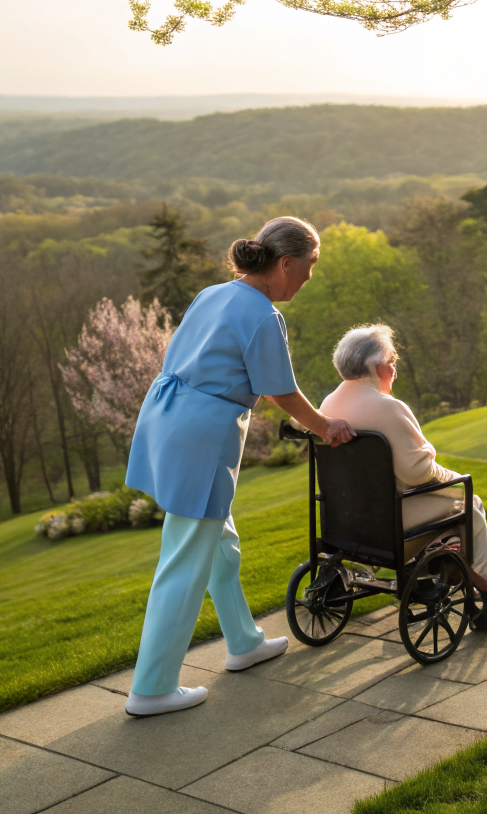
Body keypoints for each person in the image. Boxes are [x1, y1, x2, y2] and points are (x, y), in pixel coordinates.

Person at [123, 216, 355, 717]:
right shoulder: (263, 315)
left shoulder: (213, 293)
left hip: (170, 418)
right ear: (287, 262)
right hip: (202, 436)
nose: (311, 277)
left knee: (219, 543)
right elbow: (280, 390)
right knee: (185, 558)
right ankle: (152, 687)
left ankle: (243, 642)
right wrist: (326, 425)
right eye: (310, 265)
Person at [320, 324, 487, 595]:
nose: (394, 370)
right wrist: (454, 478)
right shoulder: (388, 408)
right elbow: (418, 473)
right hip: (389, 523)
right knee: (470, 501)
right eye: (391, 362)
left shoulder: (327, 405)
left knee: (458, 499)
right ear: (375, 366)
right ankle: (480, 581)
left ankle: (459, 567)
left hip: (345, 521)